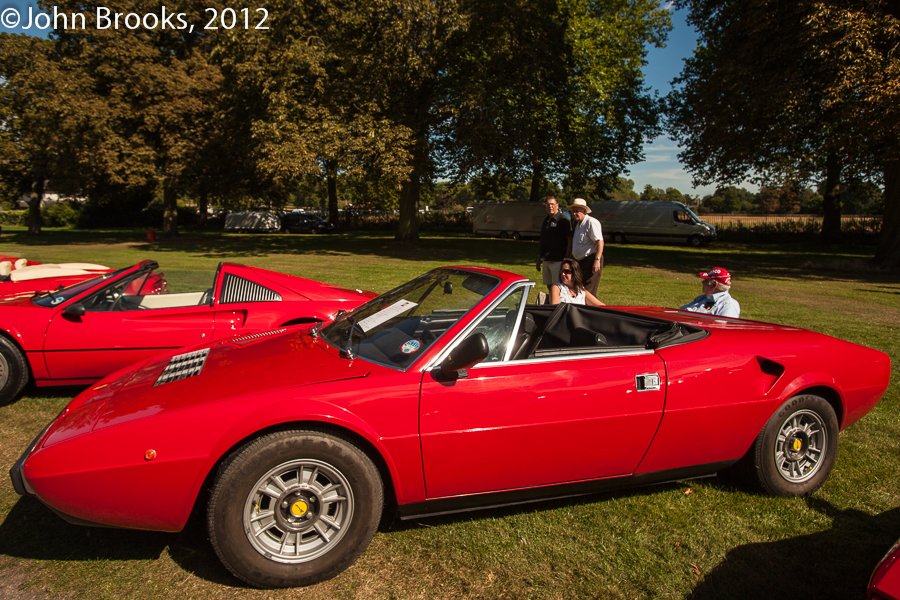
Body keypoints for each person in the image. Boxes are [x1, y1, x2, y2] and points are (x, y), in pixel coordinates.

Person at [536, 196, 572, 293]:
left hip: (558, 260)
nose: (550, 206)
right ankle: (553, 303)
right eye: (548, 204)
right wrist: (539, 258)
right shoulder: (546, 220)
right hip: (546, 259)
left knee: (558, 286)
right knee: (548, 284)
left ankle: (558, 304)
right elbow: (544, 240)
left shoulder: (563, 220)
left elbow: (569, 239)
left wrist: (566, 258)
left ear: (557, 205)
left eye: (552, 204)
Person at [568, 198, 603, 297]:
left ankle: (591, 311)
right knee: (580, 288)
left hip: (591, 259)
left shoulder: (591, 222)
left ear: (584, 211)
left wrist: (597, 259)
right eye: (573, 211)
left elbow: (600, 241)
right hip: (581, 261)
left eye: (576, 211)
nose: (574, 214)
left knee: (589, 291)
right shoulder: (578, 225)